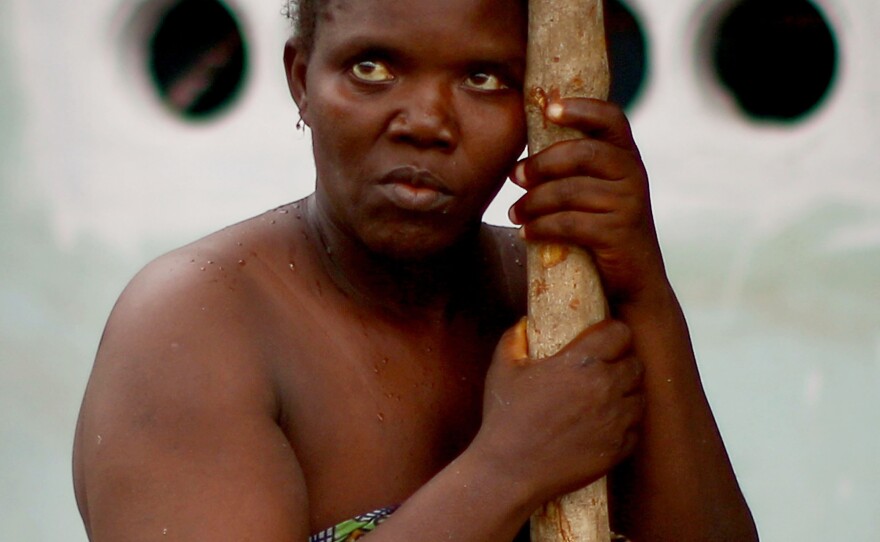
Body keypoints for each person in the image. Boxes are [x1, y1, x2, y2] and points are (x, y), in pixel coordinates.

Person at [72, 0, 758, 540]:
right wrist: (507, 471)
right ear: (300, 80)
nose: (427, 120)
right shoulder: (196, 324)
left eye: (483, 78)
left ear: (535, 109)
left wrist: (646, 292)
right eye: (373, 68)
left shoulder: (560, 301)